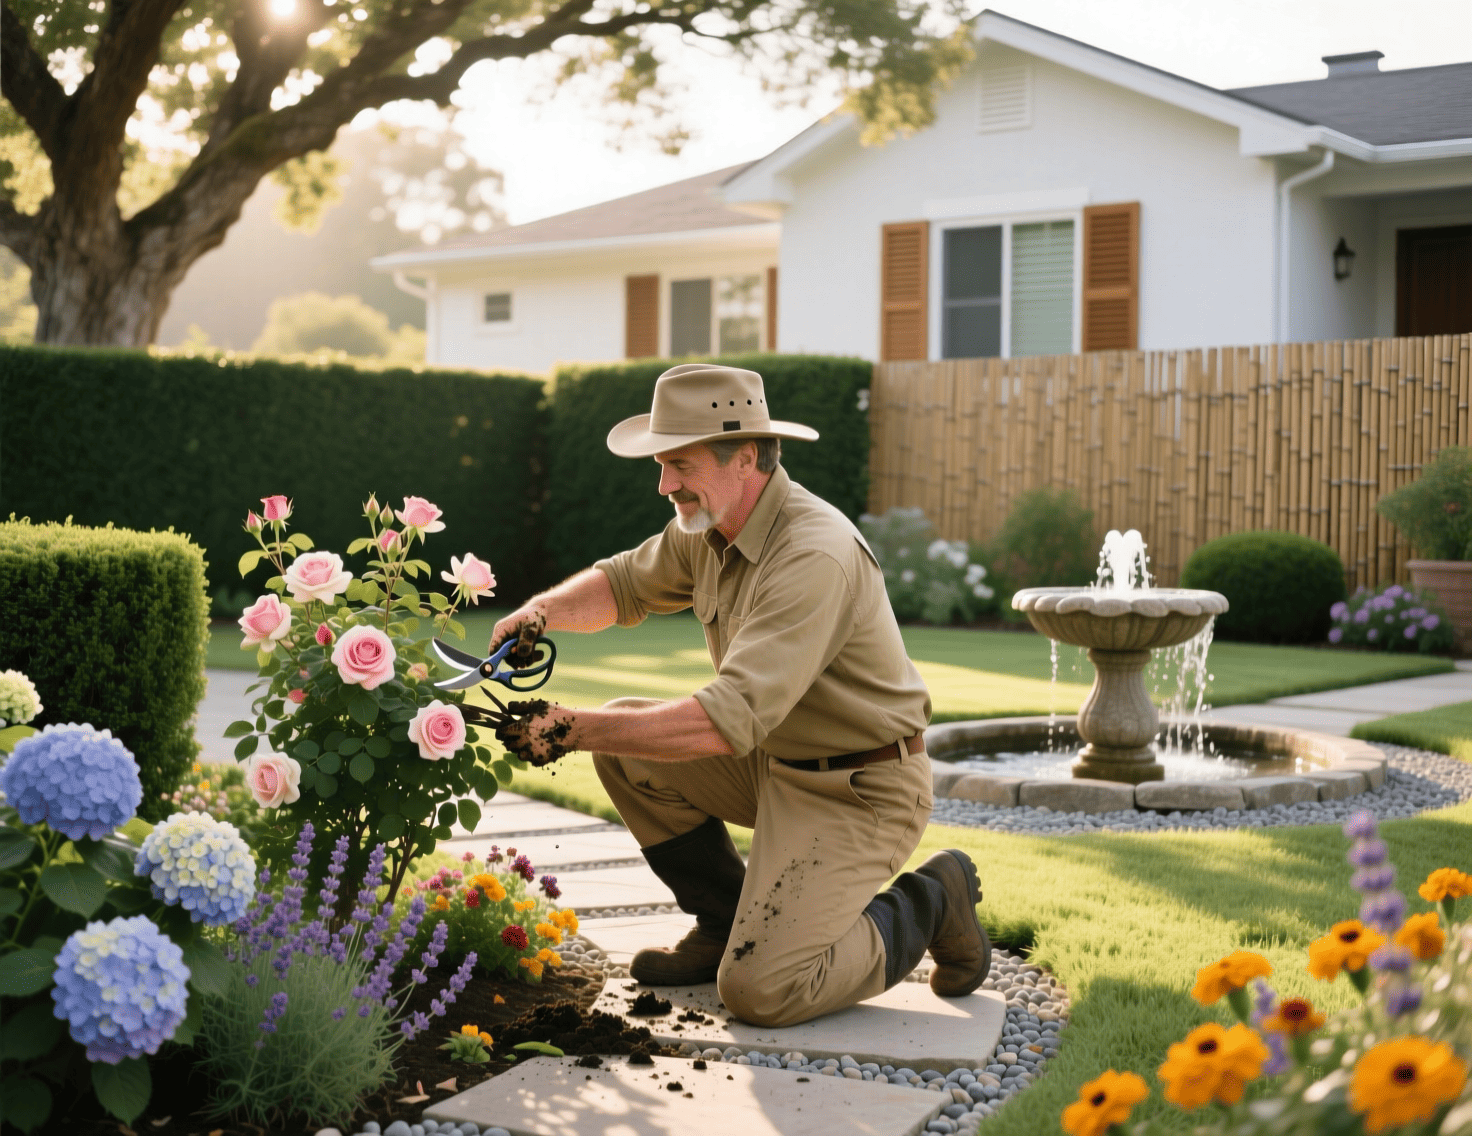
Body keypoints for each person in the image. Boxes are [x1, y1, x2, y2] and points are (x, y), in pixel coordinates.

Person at [490, 363, 990, 1028]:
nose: (665, 484)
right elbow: (623, 584)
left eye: (681, 465)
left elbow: (722, 722)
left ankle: (931, 901)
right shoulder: (710, 527)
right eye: (662, 465)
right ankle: (724, 922)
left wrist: (568, 729)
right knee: (626, 745)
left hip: (860, 787)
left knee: (763, 990)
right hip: (775, 764)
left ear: (745, 457)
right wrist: (538, 615)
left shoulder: (813, 554)